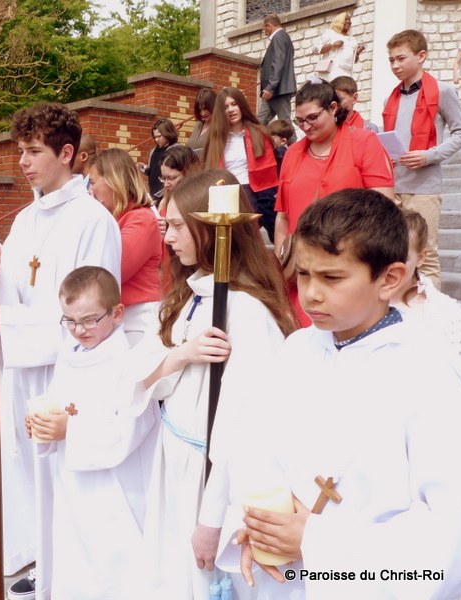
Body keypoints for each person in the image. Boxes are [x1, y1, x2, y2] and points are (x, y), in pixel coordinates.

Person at [216, 189, 461, 598]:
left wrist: (317, 543)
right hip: (283, 578)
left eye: (331, 278)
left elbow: (450, 530)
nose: (311, 293)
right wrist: (261, 526)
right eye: (303, 274)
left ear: (389, 279)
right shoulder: (298, 348)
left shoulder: (429, 372)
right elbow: (256, 447)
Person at [0, 102, 121, 599]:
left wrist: (10, 319)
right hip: (25, 365)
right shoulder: (25, 219)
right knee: (27, 469)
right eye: (20, 150)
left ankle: (71, 574)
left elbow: (93, 311)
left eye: (34, 151)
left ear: (67, 153)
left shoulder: (93, 220)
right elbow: (15, 292)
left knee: (63, 475)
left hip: (69, 368)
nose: (22, 161)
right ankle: (43, 560)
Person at [137, 169, 296, 600]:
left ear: (211, 229)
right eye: (165, 225)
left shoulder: (246, 311)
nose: (168, 238)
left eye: (176, 226)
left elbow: (246, 426)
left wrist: (212, 519)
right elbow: (144, 374)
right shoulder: (190, 295)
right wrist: (182, 355)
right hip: (174, 458)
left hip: (208, 473)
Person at [27, 266, 159, 599]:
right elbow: (61, 404)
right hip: (72, 483)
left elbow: (130, 430)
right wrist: (43, 423)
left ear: (117, 313)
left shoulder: (130, 364)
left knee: (111, 567)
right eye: (70, 321)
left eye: (89, 320)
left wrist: (70, 430)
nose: (78, 330)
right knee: (75, 558)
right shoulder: (70, 355)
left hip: (115, 490)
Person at [275, 80, 394, 326]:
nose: (306, 126)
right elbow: (282, 216)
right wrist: (281, 262)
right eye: (300, 121)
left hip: (347, 264)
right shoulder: (293, 153)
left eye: (313, 118)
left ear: (332, 108)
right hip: (302, 266)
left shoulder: (364, 142)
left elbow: (384, 207)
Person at [383, 29, 461, 290]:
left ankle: (432, 311)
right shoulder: (390, 98)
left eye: (401, 58)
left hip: (424, 189)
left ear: (421, 56)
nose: (395, 65)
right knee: (395, 254)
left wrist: (429, 155)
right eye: (391, 60)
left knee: (425, 256)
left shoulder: (443, 91)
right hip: (394, 187)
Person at [89, 148, 162, 345]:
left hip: (137, 320)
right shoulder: (115, 218)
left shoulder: (141, 219)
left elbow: (113, 271)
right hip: (118, 317)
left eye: (93, 182)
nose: (90, 191)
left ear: (113, 181)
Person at [391, 208, 461, 373]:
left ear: (420, 258)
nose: (389, 266)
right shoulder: (356, 297)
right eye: (380, 255)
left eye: (401, 258)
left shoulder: (442, 313)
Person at [204, 87, 279, 243]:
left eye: (234, 104)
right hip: (225, 196)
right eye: (225, 107)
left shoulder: (259, 133)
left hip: (253, 195)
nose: (231, 110)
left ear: (242, 105)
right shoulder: (215, 139)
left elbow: (268, 176)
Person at [258, 13, 296, 129]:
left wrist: (270, 87)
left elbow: (278, 62)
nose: (265, 32)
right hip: (275, 91)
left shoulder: (279, 37)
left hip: (278, 91)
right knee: (258, 124)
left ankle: (294, 143)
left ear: (269, 26)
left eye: (264, 29)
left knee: (285, 124)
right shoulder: (284, 37)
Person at [313, 11, 365, 80]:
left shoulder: (352, 39)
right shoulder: (330, 33)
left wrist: (357, 53)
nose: (349, 22)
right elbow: (315, 49)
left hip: (348, 74)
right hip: (332, 73)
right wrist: (332, 45)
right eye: (346, 19)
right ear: (339, 21)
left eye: (349, 20)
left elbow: (353, 61)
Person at [137, 118, 178, 200]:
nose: (156, 139)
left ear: (168, 133)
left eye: (159, 136)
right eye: (155, 137)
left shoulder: (175, 150)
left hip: (168, 193)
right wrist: (144, 168)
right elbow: (153, 170)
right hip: (154, 192)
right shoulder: (153, 151)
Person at [186, 88, 217, 155]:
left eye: (205, 109)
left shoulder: (219, 126)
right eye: (200, 110)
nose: (202, 113)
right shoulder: (199, 124)